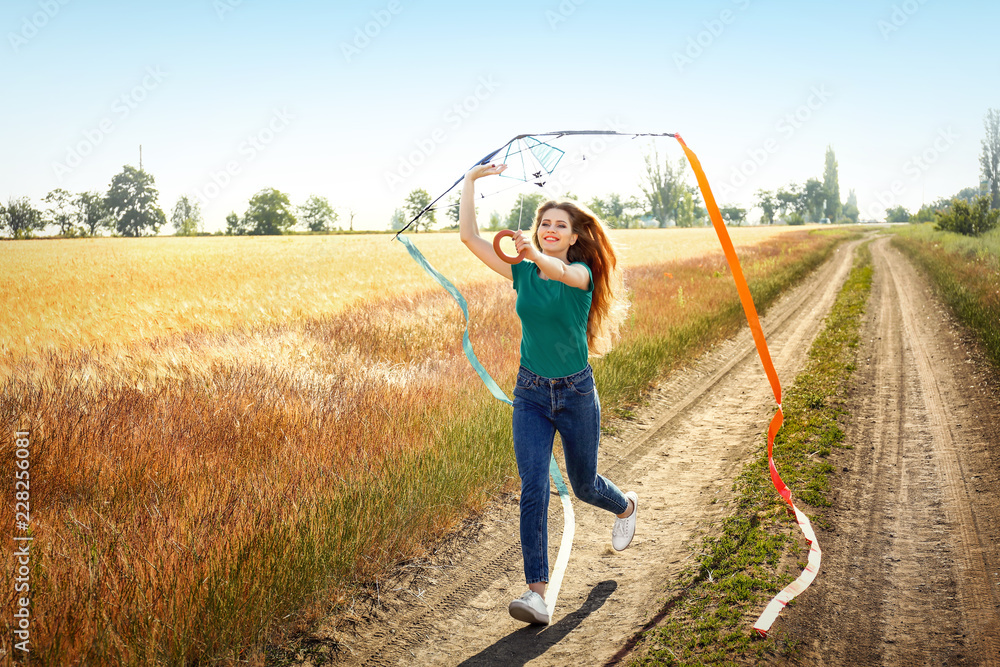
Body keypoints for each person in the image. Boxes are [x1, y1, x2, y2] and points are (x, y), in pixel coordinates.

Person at [458, 163, 637, 626]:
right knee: (534, 488)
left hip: (576, 393)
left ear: (574, 236)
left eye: (560, 225)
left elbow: (556, 271)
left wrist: (533, 253)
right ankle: (536, 594)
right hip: (531, 393)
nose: (550, 229)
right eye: (545, 223)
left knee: (584, 486)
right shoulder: (522, 271)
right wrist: (471, 181)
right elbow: (469, 239)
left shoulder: (578, 273)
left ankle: (625, 505)